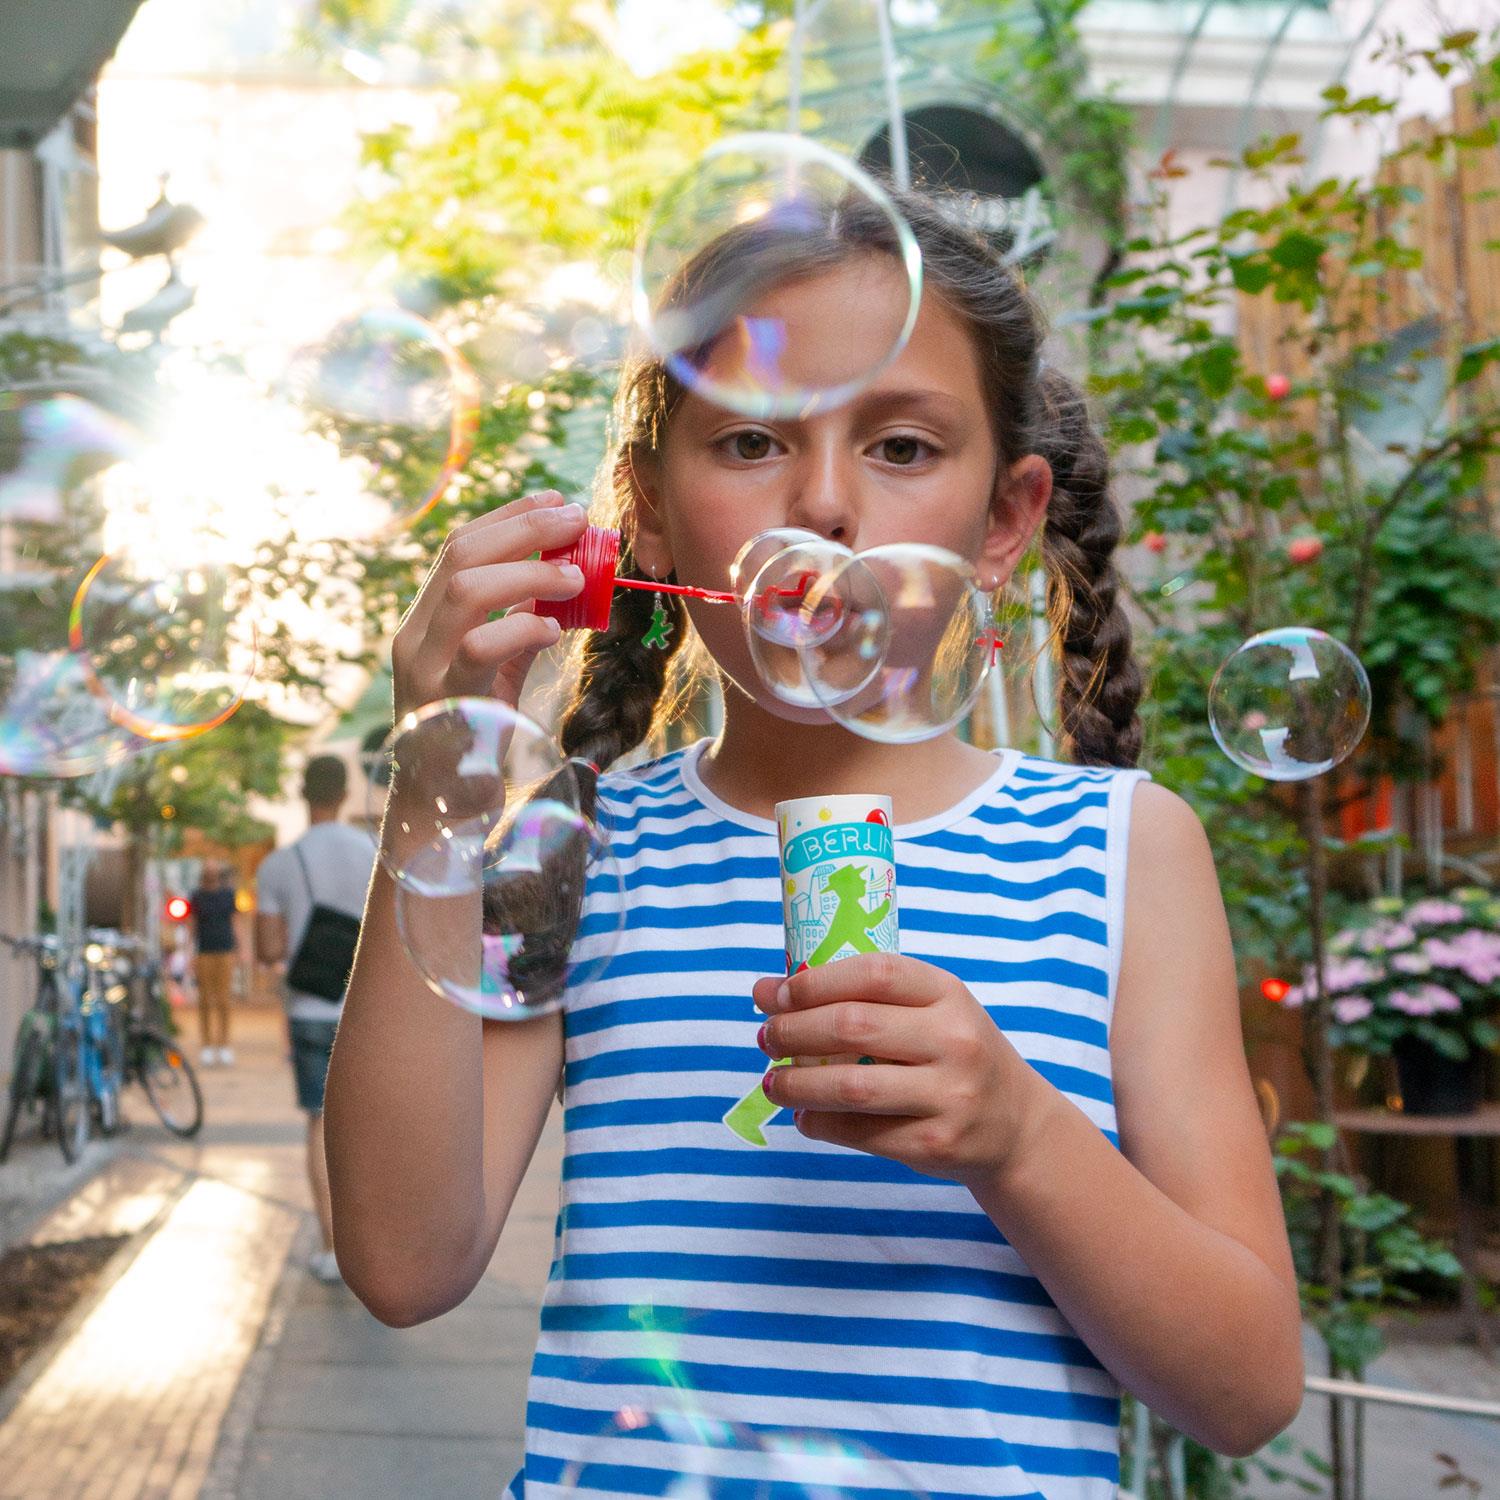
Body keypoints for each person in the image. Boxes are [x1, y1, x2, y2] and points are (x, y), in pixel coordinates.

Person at [325, 188, 1305, 1497]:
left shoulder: (1123, 850)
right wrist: (443, 770)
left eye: (901, 446)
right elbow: (401, 1260)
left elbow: (1245, 1389)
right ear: (651, 518)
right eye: (748, 443)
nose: (827, 503)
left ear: (1004, 520)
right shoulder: (579, 848)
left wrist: (1020, 1136)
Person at [256, 754, 377, 1285]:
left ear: (304, 795)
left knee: (320, 1125)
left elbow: (267, 948)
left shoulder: (279, 864)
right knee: (369, 1129)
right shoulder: (372, 851)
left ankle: (332, 1250)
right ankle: (373, 1251)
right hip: (367, 1010)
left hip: (308, 1008)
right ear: (346, 793)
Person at [189, 859, 238, 1067]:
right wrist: (190, 951)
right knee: (205, 999)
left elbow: (234, 921)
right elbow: (192, 924)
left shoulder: (228, 894)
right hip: (204, 950)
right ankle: (207, 1044)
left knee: (224, 998)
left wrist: (240, 949)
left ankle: (224, 1043)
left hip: (225, 949)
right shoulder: (197, 896)